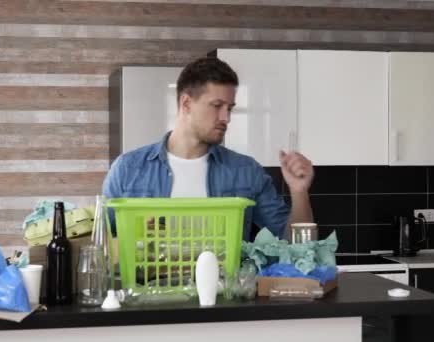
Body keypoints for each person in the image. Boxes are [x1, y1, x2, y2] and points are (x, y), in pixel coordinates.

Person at [103, 57, 314, 241]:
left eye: (229, 108)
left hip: (226, 288)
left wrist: (299, 191)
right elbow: (102, 246)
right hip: (149, 287)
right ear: (186, 104)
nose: (226, 118)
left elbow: (295, 245)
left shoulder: (246, 171)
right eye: (217, 106)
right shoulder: (127, 169)